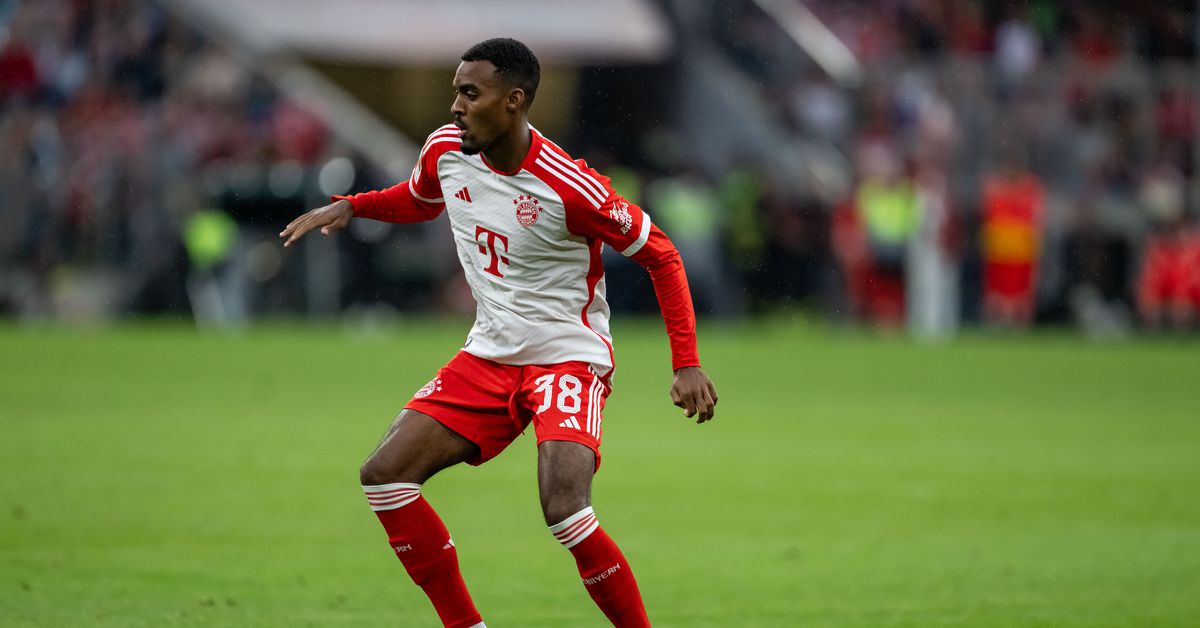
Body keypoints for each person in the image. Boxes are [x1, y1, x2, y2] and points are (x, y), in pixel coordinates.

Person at [278, 38, 717, 627]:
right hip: (489, 353)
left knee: (564, 508)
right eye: (455, 92)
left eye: (470, 93)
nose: (455, 106)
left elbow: (660, 253)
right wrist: (356, 206)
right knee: (384, 478)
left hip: (567, 356)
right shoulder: (446, 149)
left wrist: (686, 362)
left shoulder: (571, 187)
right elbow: (421, 199)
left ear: (513, 101)